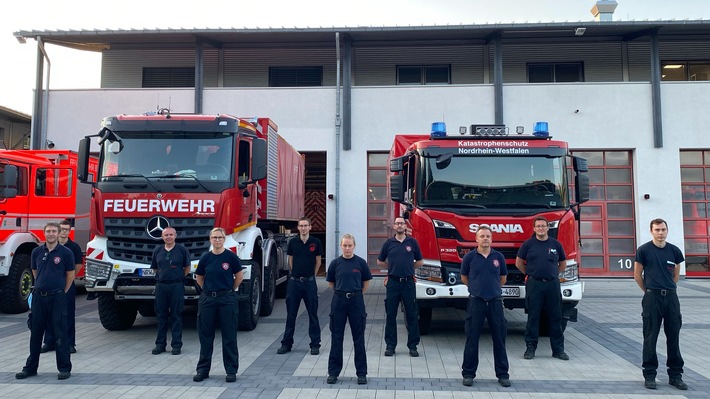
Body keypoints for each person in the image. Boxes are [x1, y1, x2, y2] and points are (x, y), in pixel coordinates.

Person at [16, 222, 75, 380]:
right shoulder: (36, 252)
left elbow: (71, 274)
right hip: (39, 298)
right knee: (35, 334)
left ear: (58, 233)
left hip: (57, 297)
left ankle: (64, 368)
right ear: (44, 233)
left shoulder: (66, 253)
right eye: (48, 231)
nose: (51, 234)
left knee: (60, 333)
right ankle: (30, 368)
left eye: (54, 231)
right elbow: (35, 272)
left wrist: (62, 291)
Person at [633, 218, 687, 390]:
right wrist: (650, 292)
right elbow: (637, 275)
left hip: (671, 299)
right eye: (657, 230)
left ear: (667, 231)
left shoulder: (674, 251)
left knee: (673, 337)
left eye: (663, 229)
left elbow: (676, 273)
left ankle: (675, 375)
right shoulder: (644, 250)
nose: (661, 233)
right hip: (652, 298)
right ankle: (650, 375)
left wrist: (669, 288)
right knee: (650, 337)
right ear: (651, 232)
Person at [460, 226, 510, 387]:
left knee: (499, 339)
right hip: (476, 302)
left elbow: (502, 278)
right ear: (476, 239)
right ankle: (468, 374)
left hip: (495, 302)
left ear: (491, 238)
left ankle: (503, 374)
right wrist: (476, 289)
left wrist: (492, 290)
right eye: (482, 236)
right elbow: (464, 277)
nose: (485, 239)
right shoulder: (469, 257)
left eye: (488, 236)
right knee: (472, 339)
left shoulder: (499, 257)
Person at [193, 228, 243, 383]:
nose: (217, 240)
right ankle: (203, 370)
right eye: (214, 237)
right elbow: (199, 277)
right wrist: (207, 291)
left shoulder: (231, 257)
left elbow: (239, 276)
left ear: (224, 239)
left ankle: (231, 370)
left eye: (220, 237)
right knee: (205, 336)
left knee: (229, 336)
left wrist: (229, 289)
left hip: (226, 299)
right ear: (210, 239)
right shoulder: (206, 258)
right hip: (208, 300)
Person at [515, 216, 569, 361]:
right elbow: (519, 263)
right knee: (533, 317)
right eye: (538, 226)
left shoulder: (555, 244)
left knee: (556, 317)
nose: (541, 228)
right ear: (534, 229)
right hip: (535, 284)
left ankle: (558, 350)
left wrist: (552, 274)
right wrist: (530, 273)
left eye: (543, 226)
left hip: (552, 284)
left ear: (547, 228)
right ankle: (530, 348)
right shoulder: (528, 244)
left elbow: (563, 263)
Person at [325, 234, 372, 385]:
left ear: (354, 246)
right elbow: (331, 283)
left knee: (358, 338)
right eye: (344, 245)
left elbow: (366, 284)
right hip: (339, 301)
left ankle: (361, 373)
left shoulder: (361, 263)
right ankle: (333, 372)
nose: (347, 248)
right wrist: (342, 294)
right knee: (336, 338)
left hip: (356, 301)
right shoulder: (335, 263)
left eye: (349, 245)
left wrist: (354, 295)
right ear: (341, 246)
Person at [377, 217, 423, 357]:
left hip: (408, 283)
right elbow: (380, 261)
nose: (399, 225)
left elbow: (420, 261)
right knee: (391, 315)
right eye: (397, 223)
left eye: (402, 223)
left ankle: (413, 346)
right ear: (394, 226)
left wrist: (409, 268)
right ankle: (390, 346)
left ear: (405, 226)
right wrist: (392, 269)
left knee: (412, 315)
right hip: (393, 283)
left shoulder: (412, 243)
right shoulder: (388, 243)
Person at [277, 217, 323, 355]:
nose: (303, 228)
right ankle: (286, 344)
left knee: (313, 314)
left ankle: (315, 344)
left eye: (305, 226)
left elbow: (318, 262)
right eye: (301, 226)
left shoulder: (316, 242)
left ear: (310, 227)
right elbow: (290, 260)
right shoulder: (293, 242)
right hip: (294, 283)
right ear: (298, 227)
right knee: (291, 315)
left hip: (309, 283)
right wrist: (296, 275)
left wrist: (311, 277)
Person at [41, 219, 83, 354]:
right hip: (51, 287)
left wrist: (67, 279)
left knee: (68, 315)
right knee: (49, 314)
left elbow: (78, 266)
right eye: (62, 229)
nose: (64, 232)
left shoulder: (74, 247)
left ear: (70, 231)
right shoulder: (49, 248)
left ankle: (70, 343)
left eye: (67, 229)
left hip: (67, 286)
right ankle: (49, 342)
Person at [150, 226, 191, 355]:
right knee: (161, 316)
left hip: (176, 286)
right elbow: (155, 268)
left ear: (175, 236)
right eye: (166, 235)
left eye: (171, 235)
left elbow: (187, 268)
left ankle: (176, 345)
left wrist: (177, 277)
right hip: (161, 286)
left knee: (176, 316)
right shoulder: (157, 251)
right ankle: (160, 345)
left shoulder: (182, 250)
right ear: (162, 237)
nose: (168, 237)